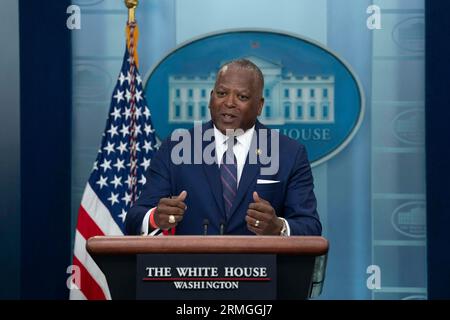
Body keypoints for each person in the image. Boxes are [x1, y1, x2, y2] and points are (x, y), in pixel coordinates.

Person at [125, 59, 321, 236]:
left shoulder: (289, 153)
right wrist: (155, 218)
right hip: (191, 272)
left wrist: (279, 227)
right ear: (211, 98)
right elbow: (134, 219)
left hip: (261, 271)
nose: (229, 103)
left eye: (242, 97)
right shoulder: (176, 147)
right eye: (221, 93)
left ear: (259, 105)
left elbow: (310, 226)